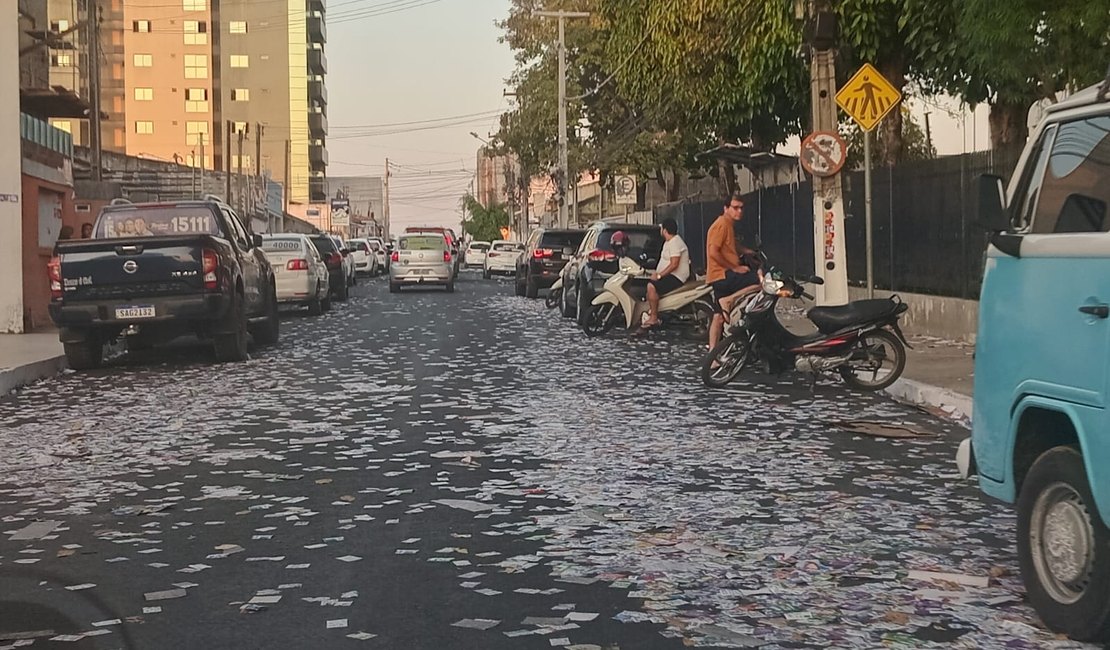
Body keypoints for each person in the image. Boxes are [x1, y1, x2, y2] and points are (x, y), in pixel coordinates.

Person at [706, 192, 759, 351]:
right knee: (762, 282)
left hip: (719, 276)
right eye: (735, 208)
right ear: (726, 208)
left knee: (718, 317)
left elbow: (731, 244)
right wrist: (735, 268)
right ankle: (729, 301)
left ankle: (713, 355)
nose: (739, 211)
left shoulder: (728, 225)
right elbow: (713, 252)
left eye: (741, 208)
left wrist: (748, 251)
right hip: (723, 274)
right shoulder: (721, 224)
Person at [642, 218, 690, 329]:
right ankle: (655, 313)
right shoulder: (669, 242)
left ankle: (654, 318)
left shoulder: (675, 242)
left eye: (661, 228)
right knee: (649, 291)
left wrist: (659, 275)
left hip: (676, 277)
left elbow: (674, 264)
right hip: (670, 275)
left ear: (664, 230)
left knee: (651, 286)